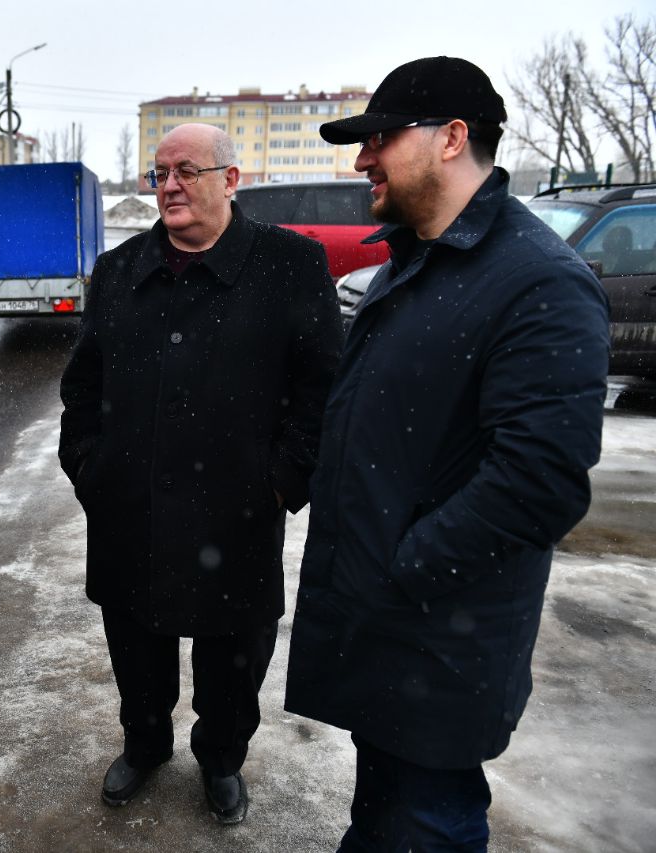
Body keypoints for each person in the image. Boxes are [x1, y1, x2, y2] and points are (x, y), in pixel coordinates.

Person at [283, 57, 610, 851]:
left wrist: (402, 569)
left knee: (427, 822)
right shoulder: (414, 262)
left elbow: (539, 483)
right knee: (384, 816)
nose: (363, 160)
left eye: (382, 139)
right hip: (388, 633)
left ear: (452, 138)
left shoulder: (539, 282)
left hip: (440, 646)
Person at [59, 123, 342, 823]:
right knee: (136, 644)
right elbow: (83, 384)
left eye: (187, 171)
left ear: (230, 179)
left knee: (233, 656)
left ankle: (221, 758)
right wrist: (90, 465)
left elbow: (322, 388)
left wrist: (282, 479)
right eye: (160, 174)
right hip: (130, 505)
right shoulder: (119, 269)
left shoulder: (289, 265)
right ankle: (144, 744)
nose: (170, 186)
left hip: (237, 508)